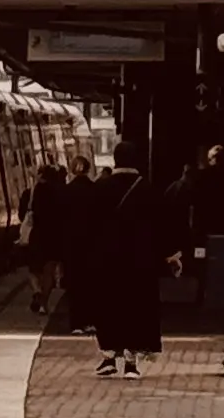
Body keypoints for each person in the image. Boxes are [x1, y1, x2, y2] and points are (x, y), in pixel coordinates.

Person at [72, 159, 167, 375]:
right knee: (135, 309)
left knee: (107, 307)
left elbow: (87, 226)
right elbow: (159, 225)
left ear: (116, 160)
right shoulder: (146, 188)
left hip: (106, 261)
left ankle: (109, 358)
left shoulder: (100, 188)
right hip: (139, 262)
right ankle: (131, 363)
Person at [24, 164, 78, 331]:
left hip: (37, 236)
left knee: (33, 269)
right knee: (49, 271)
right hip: (54, 237)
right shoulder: (62, 191)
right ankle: (44, 302)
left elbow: (23, 213)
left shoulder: (33, 191)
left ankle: (36, 292)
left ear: (41, 175)